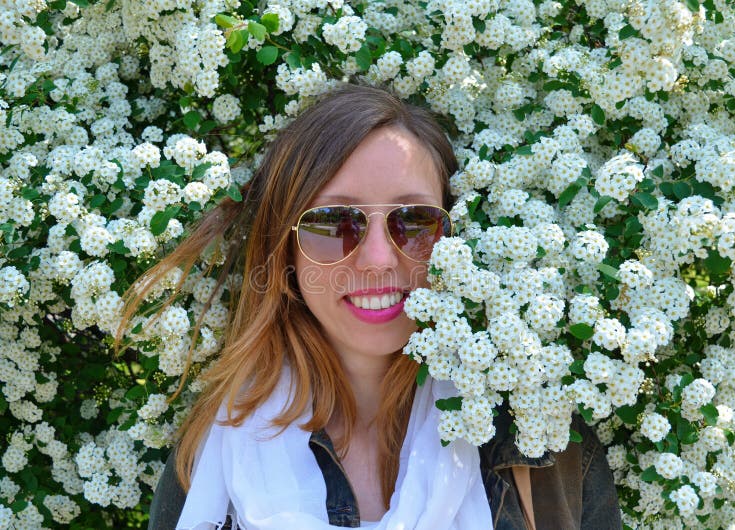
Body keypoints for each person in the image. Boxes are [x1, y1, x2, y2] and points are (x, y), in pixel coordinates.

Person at [124, 84, 621, 529]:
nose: (379, 260)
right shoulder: (215, 454)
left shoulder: (543, 443)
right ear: (287, 252)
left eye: (414, 221)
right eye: (333, 222)